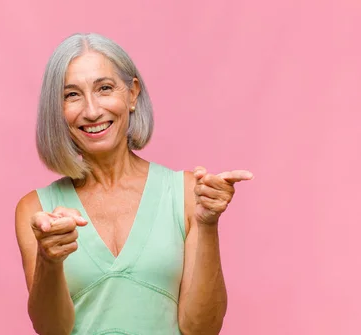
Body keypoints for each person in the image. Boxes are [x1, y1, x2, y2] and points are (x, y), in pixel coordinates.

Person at [15, 32, 254, 335]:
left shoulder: (185, 194)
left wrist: (207, 224)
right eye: (71, 95)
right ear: (58, 110)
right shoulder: (36, 210)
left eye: (104, 88)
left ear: (132, 94)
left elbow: (202, 329)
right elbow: (51, 329)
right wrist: (49, 259)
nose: (91, 110)